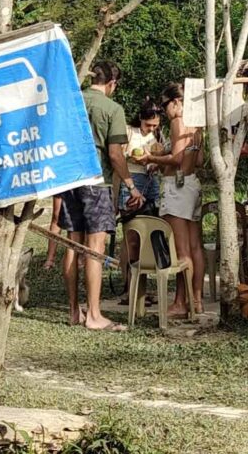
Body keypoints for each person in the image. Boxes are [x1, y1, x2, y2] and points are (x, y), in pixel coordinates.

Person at [57, 62, 127, 331]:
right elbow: (115, 154)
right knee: (94, 249)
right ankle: (94, 314)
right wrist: (130, 184)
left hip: (70, 179)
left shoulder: (71, 103)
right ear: (111, 83)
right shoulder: (112, 109)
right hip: (97, 182)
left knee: (72, 244)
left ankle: (74, 310)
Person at [143, 86, 208, 321]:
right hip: (191, 184)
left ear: (177, 102)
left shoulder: (178, 122)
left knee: (181, 251)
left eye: (165, 105)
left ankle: (181, 303)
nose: (165, 111)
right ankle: (196, 300)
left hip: (177, 188)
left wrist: (150, 158)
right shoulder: (197, 127)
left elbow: (178, 158)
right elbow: (198, 159)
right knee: (195, 247)